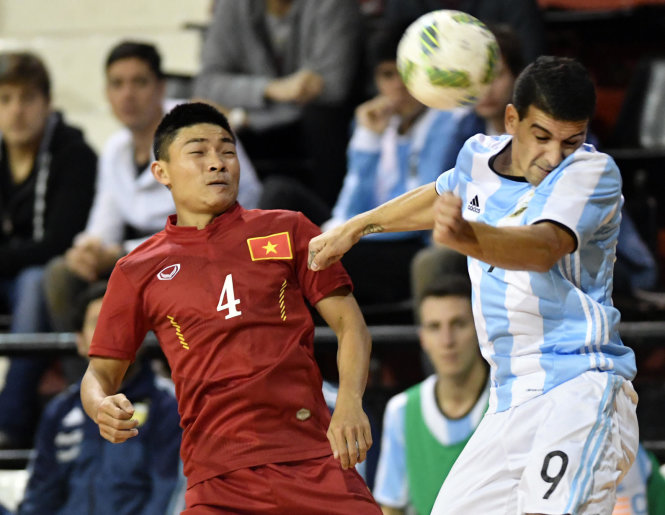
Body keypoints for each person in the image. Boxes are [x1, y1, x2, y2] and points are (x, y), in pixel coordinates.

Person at [308, 56, 639, 514]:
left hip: (580, 387)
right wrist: (358, 226)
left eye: (571, 140)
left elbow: (542, 247)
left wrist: (468, 236)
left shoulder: (591, 172)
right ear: (512, 120)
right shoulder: (478, 155)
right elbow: (442, 194)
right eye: (541, 136)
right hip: (509, 399)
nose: (553, 156)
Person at [80, 102, 382, 514]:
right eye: (198, 152)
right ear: (161, 173)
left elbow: (351, 327)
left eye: (227, 150)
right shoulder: (137, 270)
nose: (217, 164)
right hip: (218, 479)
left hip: (312, 458)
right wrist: (100, 405)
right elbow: (99, 373)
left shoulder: (288, 228)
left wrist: (349, 401)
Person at [44, 40, 262, 333]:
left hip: (214, 251)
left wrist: (123, 251)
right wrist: (87, 249)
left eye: (139, 82)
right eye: (117, 84)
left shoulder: (195, 130)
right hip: (147, 258)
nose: (128, 95)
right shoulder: (115, 149)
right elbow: (103, 224)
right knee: (61, 274)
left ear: (161, 88)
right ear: (107, 94)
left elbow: (206, 225)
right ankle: (87, 378)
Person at [320, 23, 525, 306]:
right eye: (387, 75)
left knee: (322, 261)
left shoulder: (455, 121)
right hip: (414, 234)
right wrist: (368, 140)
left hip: (433, 240)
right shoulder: (376, 122)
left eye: (495, 74)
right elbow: (350, 206)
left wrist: (352, 231)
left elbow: (431, 202)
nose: (484, 86)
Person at [17, 282, 184, 515]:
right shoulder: (60, 410)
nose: (111, 333)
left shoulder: (171, 405)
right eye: (98, 323)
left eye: (121, 321)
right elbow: (40, 497)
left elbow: (168, 495)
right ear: (80, 341)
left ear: (142, 334)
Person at [0, 51, 97, 448]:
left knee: (35, 280)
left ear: (47, 102)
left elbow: (57, 243)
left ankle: (10, 422)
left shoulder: (74, 154)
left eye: (26, 99)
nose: (16, 111)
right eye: (5, 100)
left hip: (39, 280)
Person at [192, 0, 363, 206]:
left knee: (321, 118)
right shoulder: (232, 5)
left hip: (315, 132)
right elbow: (207, 83)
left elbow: (333, 88)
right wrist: (272, 89)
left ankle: (327, 226)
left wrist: (243, 116)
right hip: (253, 131)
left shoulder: (333, 5)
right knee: (201, 123)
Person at [373, 266, 490, 515]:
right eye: (434, 327)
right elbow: (390, 508)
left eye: (458, 324)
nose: (447, 341)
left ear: (481, 327)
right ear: (422, 338)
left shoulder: (512, 400)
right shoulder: (402, 410)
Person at [381, 0, 545, 63]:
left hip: (499, 112)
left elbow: (530, 66)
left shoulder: (516, 4)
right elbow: (389, 62)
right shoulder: (401, 3)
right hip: (423, 110)